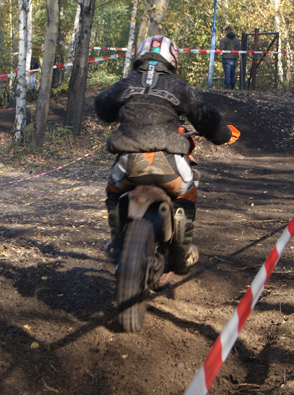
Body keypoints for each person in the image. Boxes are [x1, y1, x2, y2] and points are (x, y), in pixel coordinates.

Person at [94, 34, 233, 275]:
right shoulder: (178, 87)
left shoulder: (127, 83)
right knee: (188, 191)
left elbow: (101, 105)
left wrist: (118, 111)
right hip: (168, 164)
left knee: (113, 190)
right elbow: (209, 120)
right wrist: (223, 134)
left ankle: (117, 242)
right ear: (172, 59)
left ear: (141, 55)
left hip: (128, 163)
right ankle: (181, 254)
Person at [220, 24, 239, 90]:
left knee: (227, 74)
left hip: (226, 58)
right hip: (234, 59)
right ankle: (232, 87)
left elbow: (221, 48)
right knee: (233, 74)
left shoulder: (224, 39)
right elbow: (238, 48)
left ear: (226, 31)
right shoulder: (237, 39)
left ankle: (227, 87)